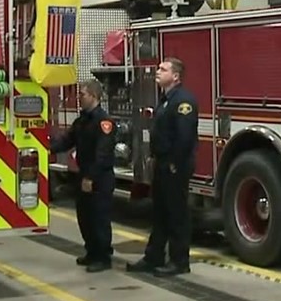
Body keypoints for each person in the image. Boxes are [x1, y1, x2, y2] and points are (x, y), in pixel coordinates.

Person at [127, 57, 199, 277]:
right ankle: (154, 257)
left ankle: (179, 262)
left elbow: (184, 138)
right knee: (159, 214)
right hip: (162, 164)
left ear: (175, 76)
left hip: (173, 166)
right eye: (158, 68)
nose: (157, 72)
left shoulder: (183, 101)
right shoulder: (166, 99)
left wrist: (175, 164)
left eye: (163, 69)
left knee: (176, 214)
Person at [51, 79, 116, 273]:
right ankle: (91, 252)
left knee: (99, 218)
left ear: (94, 96)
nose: (79, 97)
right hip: (83, 174)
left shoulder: (103, 122)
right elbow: (67, 141)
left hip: (98, 177)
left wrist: (90, 177)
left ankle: (103, 257)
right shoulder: (82, 120)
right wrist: (46, 147)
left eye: (83, 94)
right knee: (85, 217)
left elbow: (102, 153)